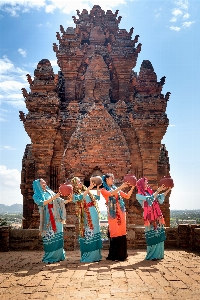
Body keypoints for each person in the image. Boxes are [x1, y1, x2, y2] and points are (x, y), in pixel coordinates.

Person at [33, 178, 68, 263]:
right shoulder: (36, 195)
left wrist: (69, 200)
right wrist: (54, 198)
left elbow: (60, 201)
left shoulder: (50, 192)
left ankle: (59, 256)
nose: (45, 183)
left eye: (45, 181)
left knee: (58, 236)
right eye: (42, 182)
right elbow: (41, 203)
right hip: (47, 217)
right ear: (38, 185)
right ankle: (50, 257)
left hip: (57, 216)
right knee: (50, 236)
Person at [101, 173, 135, 261]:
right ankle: (114, 255)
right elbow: (111, 194)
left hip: (121, 211)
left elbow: (127, 196)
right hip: (113, 213)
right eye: (111, 178)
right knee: (114, 231)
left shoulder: (116, 189)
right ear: (106, 180)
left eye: (113, 178)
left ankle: (122, 255)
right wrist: (121, 187)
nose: (113, 180)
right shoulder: (103, 190)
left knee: (122, 231)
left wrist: (132, 187)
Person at [136, 177, 172, 261]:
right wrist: (158, 190)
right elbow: (150, 199)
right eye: (145, 183)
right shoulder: (139, 195)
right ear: (141, 184)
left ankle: (159, 255)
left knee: (158, 234)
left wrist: (168, 190)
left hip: (157, 216)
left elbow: (160, 198)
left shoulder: (150, 192)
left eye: (147, 182)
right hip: (149, 218)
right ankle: (152, 255)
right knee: (151, 235)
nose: (147, 184)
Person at [71, 177, 102, 262]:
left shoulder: (87, 192)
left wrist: (98, 187)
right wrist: (89, 188)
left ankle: (96, 256)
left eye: (80, 181)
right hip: (86, 215)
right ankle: (89, 256)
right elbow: (80, 198)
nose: (80, 183)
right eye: (78, 182)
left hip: (94, 212)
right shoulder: (74, 195)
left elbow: (98, 198)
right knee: (89, 232)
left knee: (95, 231)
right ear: (74, 185)